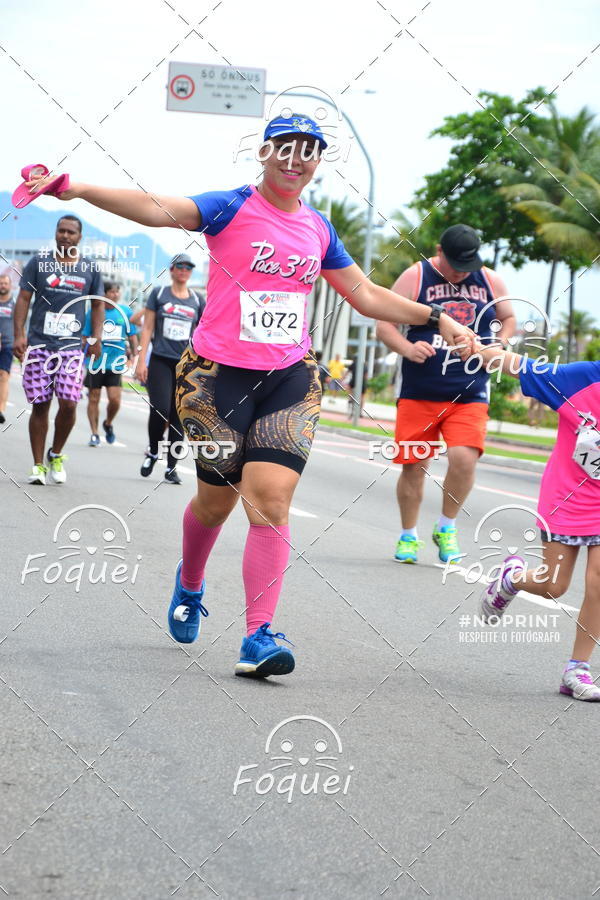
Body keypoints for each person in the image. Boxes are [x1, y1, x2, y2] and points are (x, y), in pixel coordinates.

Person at [24, 113, 476, 677]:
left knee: (270, 500)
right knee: (216, 503)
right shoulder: (229, 207)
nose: (295, 159)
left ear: (317, 162)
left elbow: (364, 294)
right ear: (263, 153)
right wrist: (75, 187)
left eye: (307, 151)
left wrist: (438, 319)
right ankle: (189, 584)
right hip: (215, 380)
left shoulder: (318, 228)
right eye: (284, 148)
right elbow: (155, 207)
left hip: (289, 378)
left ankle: (258, 636)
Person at [376, 224, 516, 565]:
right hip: (419, 391)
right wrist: (407, 348)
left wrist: (498, 343)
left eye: (466, 265)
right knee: (414, 466)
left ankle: (446, 526)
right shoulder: (416, 276)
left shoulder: (489, 280)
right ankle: (409, 535)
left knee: (464, 458)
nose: (460, 272)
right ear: (439, 251)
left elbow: (509, 317)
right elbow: (383, 323)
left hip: (469, 391)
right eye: (454, 264)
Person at [469, 343, 600, 702]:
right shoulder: (581, 379)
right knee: (554, 584)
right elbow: (518, 365)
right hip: (567, 496)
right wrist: (477, 348)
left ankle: (577, 669)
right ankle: (511, 578)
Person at [13, 215, 104, 485]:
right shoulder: (38, 263)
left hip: (72, 348)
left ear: (79, 237)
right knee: (40, 405)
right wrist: (19, 334)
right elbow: (24, 298)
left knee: (69, 403)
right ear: (55, 233)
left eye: (71, 232)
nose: (65, 235)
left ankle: (56, 453)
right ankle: (38, 465)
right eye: (61, 231)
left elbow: (98, 305)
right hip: (40, 344)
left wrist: (96, 338)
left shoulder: (89, 268)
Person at [135, 254, 204, 484]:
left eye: (189, 267)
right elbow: (147, 329)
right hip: (160, 361)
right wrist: (141, 359)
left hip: (185, 365)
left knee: (178, 417)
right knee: (160, 409)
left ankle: (171, 467)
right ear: (172, 270)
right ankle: (153, 451)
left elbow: (203, 333)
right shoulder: (159, 294)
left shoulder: (197, 300)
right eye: (180, 266)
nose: (184, 270)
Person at [82, 280, 136, 446]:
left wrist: (134, 354)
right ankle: (94, 433)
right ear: (104, 294)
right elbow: (84, 335)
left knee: (115, 400)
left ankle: (108, 423)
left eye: (117, 291)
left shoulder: (125, 312)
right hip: (96, 362)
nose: (115, 295)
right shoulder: (94, 312)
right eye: (112, 292)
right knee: (94, 398)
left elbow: (132, 334)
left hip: (115, 363)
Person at [0, 273, 15, 424]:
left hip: (7, 345)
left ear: (10, 285)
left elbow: (20, 324)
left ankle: (1, 409)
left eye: (5, 283)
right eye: (1, 283)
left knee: (4, 375)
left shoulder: (14, 303)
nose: (3, 286)